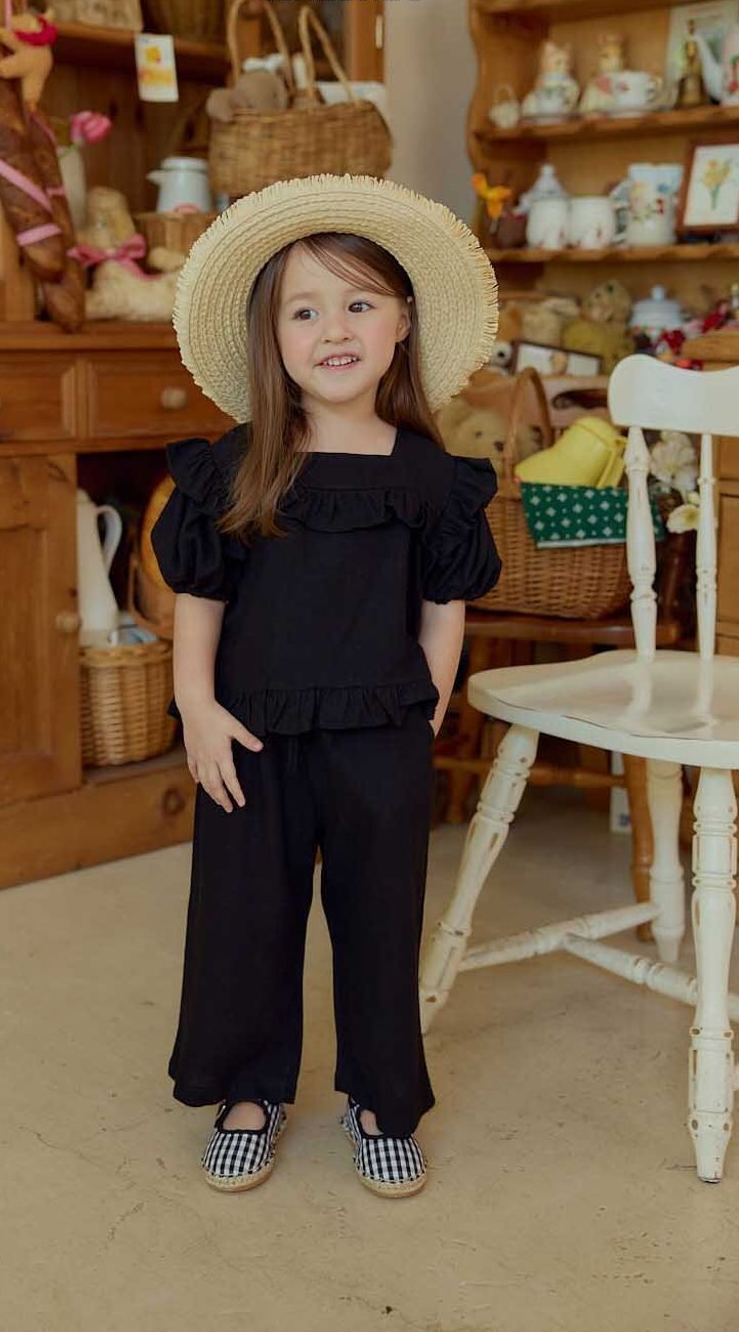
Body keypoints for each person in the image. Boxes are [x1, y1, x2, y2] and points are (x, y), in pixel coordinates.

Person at [149, 173, 502, 1198]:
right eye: (303, 311)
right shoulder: (239, 464)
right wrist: (197, 707)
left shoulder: (429, 475)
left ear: (402, 324)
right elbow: (200, 595)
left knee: (380, 919)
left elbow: (444, 604)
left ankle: (382, 1097)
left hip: (378, 730)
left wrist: (425, 707)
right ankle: (248, 1090)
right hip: (250, 732)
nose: (333, 329)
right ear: (272, 338)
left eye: (358, 303)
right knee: (246, 917)